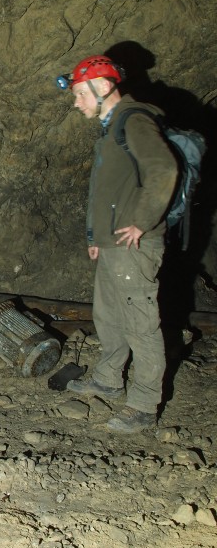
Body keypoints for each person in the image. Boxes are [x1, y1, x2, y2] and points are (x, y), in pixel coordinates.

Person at [58, 55, 179, 433]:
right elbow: (106, 191)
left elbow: (164, 169)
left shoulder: (134, 120)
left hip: (133, 246)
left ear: (103, 87)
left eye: (80, 94)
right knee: (108, 316)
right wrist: (96, 238)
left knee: (141, 325)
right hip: (111, 245)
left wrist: (141, 222)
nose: (77, 103)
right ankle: (109, 379)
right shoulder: (110, 129)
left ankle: (144, 405)